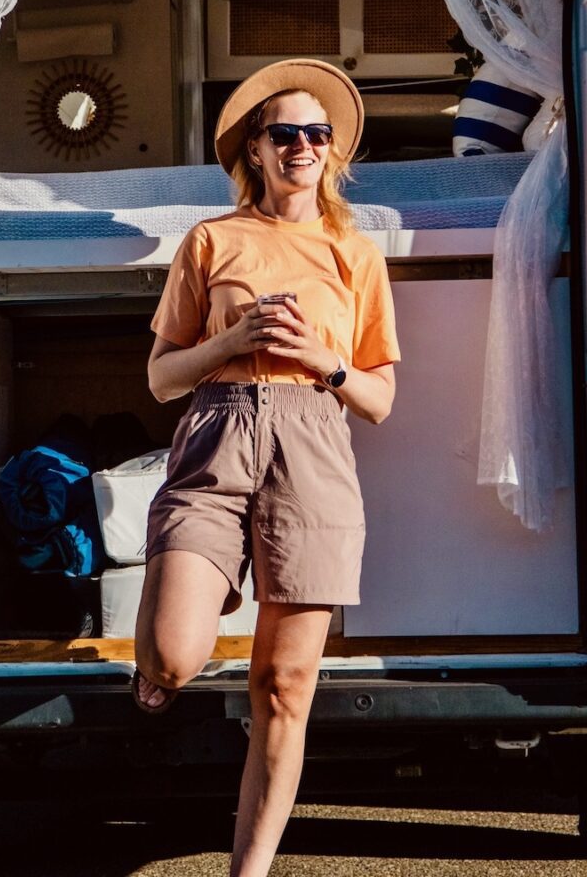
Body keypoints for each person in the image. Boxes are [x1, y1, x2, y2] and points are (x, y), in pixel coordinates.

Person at [133, 58, 400, 877]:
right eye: (283, 133)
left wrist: (320, 357)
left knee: (283, 686)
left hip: (313, 443)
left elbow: (380, 397)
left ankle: (247, 871)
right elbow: (160, 377)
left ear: (331, 152)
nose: (302, 146)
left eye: (316, 134)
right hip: (217, 427)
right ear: (254, 150)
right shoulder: (212, 240)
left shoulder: (354, 252)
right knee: (177, 656)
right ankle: (157, 655)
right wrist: (232, 343)